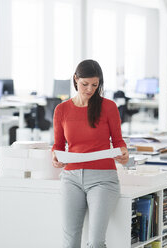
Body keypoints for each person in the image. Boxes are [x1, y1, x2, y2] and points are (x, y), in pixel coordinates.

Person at [51, 59, 129, 248]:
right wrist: (55, 156)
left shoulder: (108, 107)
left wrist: (124, 152)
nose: (89, 89)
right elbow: (58, 145)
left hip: (103, 179)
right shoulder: (61, 110)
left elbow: (118, 142)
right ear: (75, 79)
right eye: (85, 84)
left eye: (95, 85)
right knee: (70, 241)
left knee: (95, 242)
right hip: (72, 178)